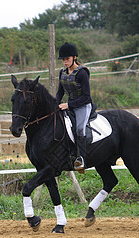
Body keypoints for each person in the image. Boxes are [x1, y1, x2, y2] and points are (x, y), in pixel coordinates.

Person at [56, 42, 92, 172]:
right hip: (69, 106)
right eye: (63, 59)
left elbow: (87, 96)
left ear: (74, 58)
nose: (65, 62)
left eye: (67, 59)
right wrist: (55, 104)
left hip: (83, 105)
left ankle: (81, 159)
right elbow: (60, 92)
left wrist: (69, 104)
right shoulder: (62, 73)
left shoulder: (82, 73)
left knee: (79, 129)